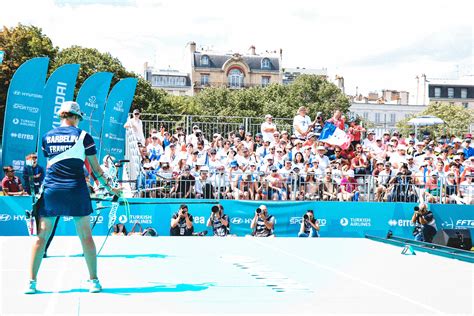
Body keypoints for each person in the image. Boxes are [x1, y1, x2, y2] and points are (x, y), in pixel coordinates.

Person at [25, 101, 121, 294]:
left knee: (41, 237)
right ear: (76, 117)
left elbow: (52, 162)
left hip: (52, 190)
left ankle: (31, 283)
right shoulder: (84, 136)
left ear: (62, 115)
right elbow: (96, 169)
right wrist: (111, 189)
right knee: (86, 236)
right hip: (76, 189)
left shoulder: (46, 137)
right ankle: (94, 281)